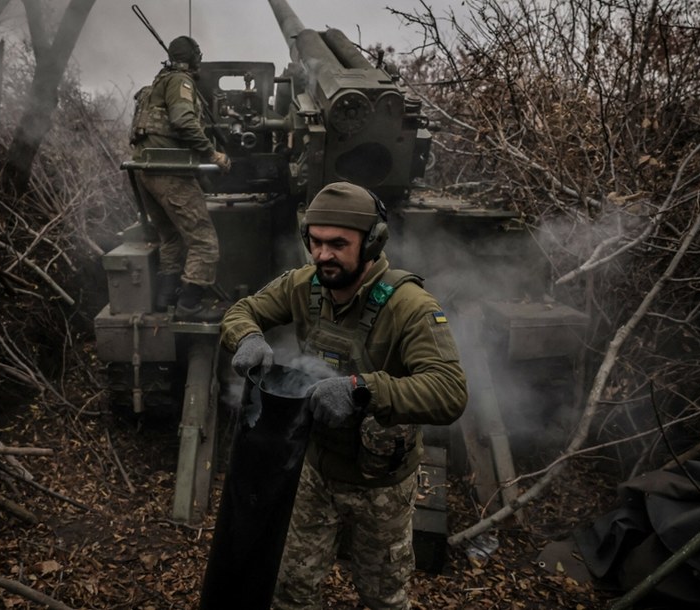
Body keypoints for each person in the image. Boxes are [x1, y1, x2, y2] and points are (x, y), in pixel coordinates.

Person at [220, 181, 468, 610]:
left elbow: (449, 391)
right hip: (314, 469)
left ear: (372, 242)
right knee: (292, 591)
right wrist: (247, 337)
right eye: (315, 242)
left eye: (338, 243)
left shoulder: (410, 305)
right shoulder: (305, 285)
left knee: (383, 599)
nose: (323, 255)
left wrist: (363, 389)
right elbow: (242, 311)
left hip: (381, 485)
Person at [130, 35, 230, 322]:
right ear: (194, 58)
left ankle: (164, 298)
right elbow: (184, 121)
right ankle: (189, 305)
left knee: (170, 237)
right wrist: (213, 155)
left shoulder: (153, 87)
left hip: (144, 172)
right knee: (204, 242)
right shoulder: (180, 82)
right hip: (169, 172)